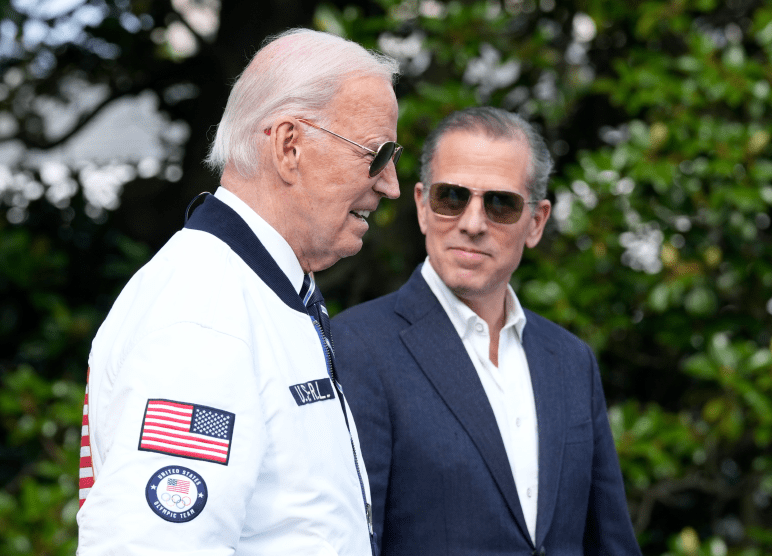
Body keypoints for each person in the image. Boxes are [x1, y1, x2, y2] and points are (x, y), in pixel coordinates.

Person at [76, 28, 403, 555]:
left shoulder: (256, 291)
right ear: (289, 145)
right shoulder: (207, 315)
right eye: (376, 153)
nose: (389, 183)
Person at [333, 106, 642, 555]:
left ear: (536, 222)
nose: (472, 223)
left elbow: (609, 542)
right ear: (421, 206)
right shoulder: (357, 348)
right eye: (451, 197)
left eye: (500, 203)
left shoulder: (572, 361)